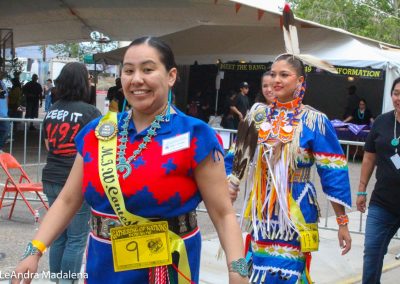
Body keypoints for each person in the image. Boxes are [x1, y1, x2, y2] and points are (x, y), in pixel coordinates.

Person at [13, 36, 247, 284]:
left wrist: (237, 270)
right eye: (128, 71)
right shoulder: (97, 132)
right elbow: (68, 199)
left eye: (148, 69)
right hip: (103, 263)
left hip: (168, 266)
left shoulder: (195, 135)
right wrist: (34, 251)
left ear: (171, 76)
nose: (136, 79)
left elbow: (223, 213)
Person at [226, 54, 352, 283]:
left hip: (296, 209)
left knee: (289, 270)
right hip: (262, 209)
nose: (276, 80)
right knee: (256, 265)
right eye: (273, 74)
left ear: (300, 81)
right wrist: (231, 182)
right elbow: (238, 153)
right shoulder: (258, 115)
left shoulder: (314, 120)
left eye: (284, 74)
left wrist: (342, 223)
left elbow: (333, 173)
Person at [42, 62, 102, 283]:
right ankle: (67, 281)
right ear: (83, 83)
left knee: (57, 236)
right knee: (76, 239)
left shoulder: (52, 109)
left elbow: (49, 145)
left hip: (50, 176)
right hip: (75, 183)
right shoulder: (90, 113)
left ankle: (57, 280)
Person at [356, 77, 400, 284]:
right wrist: (362, 189)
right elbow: (369, 156)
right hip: (383, 203)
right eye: (397, 93)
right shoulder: (382, 122)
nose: (399, 98)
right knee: (372, 252)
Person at [0, 72, 10, 152]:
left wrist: (6, 109)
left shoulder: (2, 83)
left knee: (6, 130)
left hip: (3, 113)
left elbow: (6, 96)